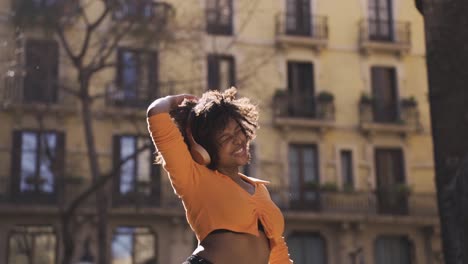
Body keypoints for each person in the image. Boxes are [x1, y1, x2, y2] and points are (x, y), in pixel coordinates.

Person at [147, 87, 293, 264]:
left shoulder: (259, 188)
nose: (238, 140)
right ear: (203, 149)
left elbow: (278, 252)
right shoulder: (194, 178)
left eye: (239, 130)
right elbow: (156, 114)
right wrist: (173, 100)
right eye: (225, 138)